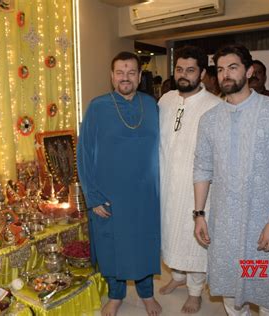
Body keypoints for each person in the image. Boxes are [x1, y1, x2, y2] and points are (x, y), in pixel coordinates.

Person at [193, 44, 269, 315]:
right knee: (231, 295)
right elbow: (202, 168)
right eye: (220, 70)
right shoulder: (209, 119)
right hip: (223, 228)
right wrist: (199, 214)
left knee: (266, 295)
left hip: (260, 229)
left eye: (232, 67)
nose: (225, 75)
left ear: (249, 70)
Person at [77, 51, 161, 316]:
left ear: (139, 76)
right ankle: (115, 295)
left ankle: (147, 294)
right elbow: (84, 154)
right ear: (112, 76)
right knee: (111, 247)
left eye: (131, 72)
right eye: (120, 73)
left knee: (143, 244)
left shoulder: (151, 105)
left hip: (145, 194)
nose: (126, 78)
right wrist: (93, 197)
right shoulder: (97, 106)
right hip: (108, 194)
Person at [158, 45, 222, 314]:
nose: (184, 75)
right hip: (166, 181)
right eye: (179, 69)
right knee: (171, 232)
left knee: (193, 238)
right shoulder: (166, 100)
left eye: (190, 70)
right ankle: (178, 276)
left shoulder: (215, 106)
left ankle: (196, 290)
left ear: (203, 73)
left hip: (195, 187)